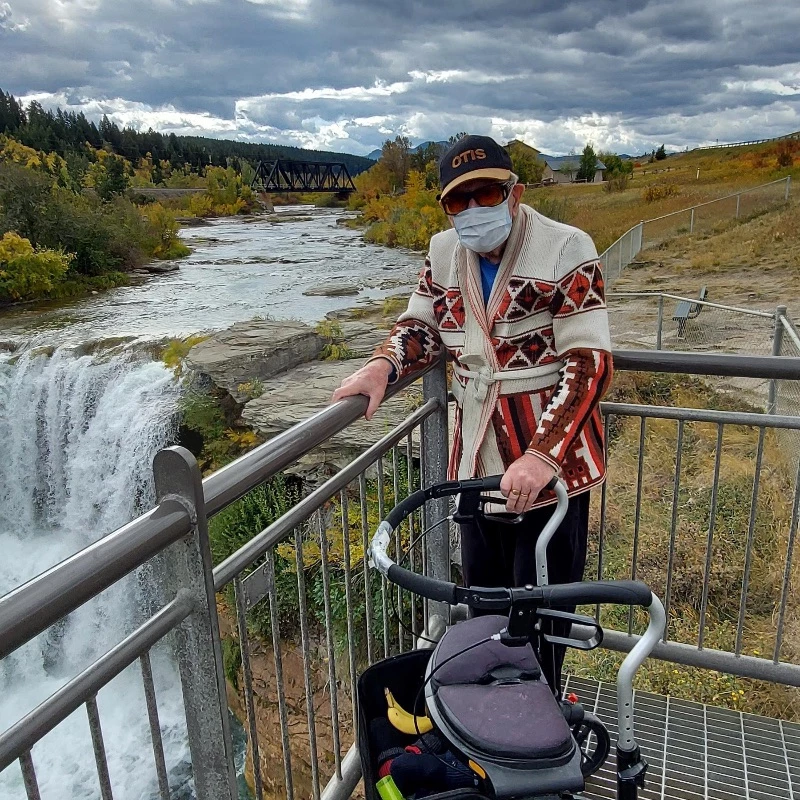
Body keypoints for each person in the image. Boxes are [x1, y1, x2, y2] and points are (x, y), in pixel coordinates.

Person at [332, 134, 613, 694]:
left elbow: (589, 363)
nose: (472, 211)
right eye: (458, 201)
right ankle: (491, 719)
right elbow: (421, 328)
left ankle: (543, 718)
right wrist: (382, 368)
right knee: (483, 605)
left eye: (485, 195)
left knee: (545, 608)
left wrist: (541, 456)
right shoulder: (442, 253)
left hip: (550, 469)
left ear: (515, 192)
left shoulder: (566, 248)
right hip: (475, 461)